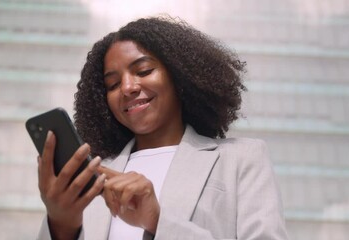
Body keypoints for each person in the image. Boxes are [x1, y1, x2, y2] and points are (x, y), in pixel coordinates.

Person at [37, 16, 289, 240]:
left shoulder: (241, 159)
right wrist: (61, 225)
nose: (127, 88)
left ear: (180, 75)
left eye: (143, 71)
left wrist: (158, 223)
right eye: (112, 85)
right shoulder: (94, 176)